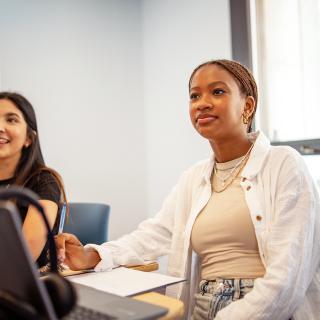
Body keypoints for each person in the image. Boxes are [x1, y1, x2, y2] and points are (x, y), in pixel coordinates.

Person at [55, 59, 320, 319]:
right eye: (194, 96)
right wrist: (93, 254)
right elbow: (152, 235)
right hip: (202, 306)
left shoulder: (284, 163)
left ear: (247, 107)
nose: (202, 103)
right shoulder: (194, 178)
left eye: (217, 91)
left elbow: (287, 279)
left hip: (260, 307)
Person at [0, 91, 67, 267]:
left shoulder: (44, 181)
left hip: (23, 285)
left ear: (29, 138)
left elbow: (24, 255)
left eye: (11, 119)